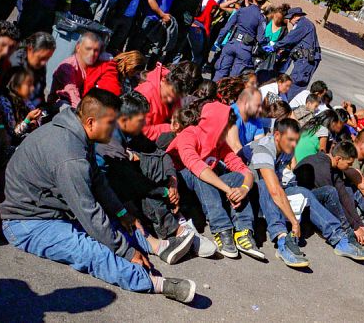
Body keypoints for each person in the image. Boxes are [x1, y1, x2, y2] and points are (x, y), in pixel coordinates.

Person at [0, 89, 198, 303]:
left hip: (54, 208)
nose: (114, 129)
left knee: (117, 221)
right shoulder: (70, 156)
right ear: (91, 122)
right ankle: (154, 283)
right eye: (111, 123)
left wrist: (122, 212)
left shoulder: (78, 132)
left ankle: (155, 247)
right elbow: (89, 212)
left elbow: (98, 182)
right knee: (89, 249)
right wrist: (126, 252)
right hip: (27, 222)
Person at [95, 92, 216, 258]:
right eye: (141, 120)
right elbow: (134, 183)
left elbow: (160, 153)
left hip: (127, 189)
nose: (145, 123)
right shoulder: (109, 141)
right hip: (107, 195)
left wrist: (172, 181)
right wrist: (165, 192)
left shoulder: (130, 133)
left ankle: (175, 224)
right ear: (125, 119)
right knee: (144, 176)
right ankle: (175, 230)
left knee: (151, 162)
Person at [249, 118, 364, 266]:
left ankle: (340, 239)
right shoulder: (264, 148)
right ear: (276, 135)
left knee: (303, 192)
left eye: (296, 140)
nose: (294, 145)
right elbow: (274, 190)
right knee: (266, 185)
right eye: (290, 140)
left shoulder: (286, 149)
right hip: (247, 192)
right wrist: (294, 222)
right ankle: (283, 240)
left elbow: (282, 181)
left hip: (272, 189)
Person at [166, 100, 263, 260]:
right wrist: (227, 189)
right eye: (226, 127)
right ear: (214, 123)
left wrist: (243, 188)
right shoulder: (189, 134)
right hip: (180, 184)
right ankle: (222, 229)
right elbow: (196, 165)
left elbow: (244, 171)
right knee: (201, 174)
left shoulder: (220, 144)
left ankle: (243, 231)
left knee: (238, 178)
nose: (228, 132)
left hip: (206, 187)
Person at [295, 141, 364, 249]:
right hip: (302, 204)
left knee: (347, 189)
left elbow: (343, 196)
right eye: (348, 164)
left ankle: (359, 225)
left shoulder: (334, 167)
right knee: (331, 194)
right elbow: (334, 203)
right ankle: (344, 233)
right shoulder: (322, 169)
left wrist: (359, 224)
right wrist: (354, 227)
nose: (349, 167)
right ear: (339, 159)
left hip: (316, 197)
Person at [135, 61, 200, 141]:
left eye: (174, 98)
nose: (170, 100)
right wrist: (170, 127)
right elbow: (142, 131)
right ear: (163, 80)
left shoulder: (176, 88)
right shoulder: (144, 94)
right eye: (167, 95)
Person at [212, 0, 269, 80]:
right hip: (245, 49)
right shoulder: (261, 18)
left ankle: (212, 91)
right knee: (233, 79)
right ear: (264, 2)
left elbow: (226, 28)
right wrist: (267, 43)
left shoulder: (241, 11)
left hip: (232, 43)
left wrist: (218, 41)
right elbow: (260, 38)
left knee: (220, 72)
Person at [274, 7, 320, 100]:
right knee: (298, 84)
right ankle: (286, 104)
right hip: (306, 60)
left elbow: (290, 39)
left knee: (295, 83)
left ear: (295, 16)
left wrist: (275, 46)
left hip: (306, 61)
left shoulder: (303, 24)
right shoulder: (305, 24)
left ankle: (283, 104)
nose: (290, 21)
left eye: (290, 19)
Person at [48, 31, 103, 109]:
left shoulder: (93, 64)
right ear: (78, 47)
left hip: (81, 102)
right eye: (88, 49)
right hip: (61, 103)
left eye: (96, 50)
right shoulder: (68, 67)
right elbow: (72, 94)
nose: (92, 54)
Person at [9, 32, 55, 108]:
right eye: (41, 58)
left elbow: (40, 93)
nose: (44, 63)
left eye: (47, 58)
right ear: (30, 49)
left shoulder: (40, 65)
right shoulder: (15, 63)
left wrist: (42, 108)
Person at [0, 66, 41, 145]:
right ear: (16, 86)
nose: (33, 88)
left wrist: (36, 121)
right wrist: (27, 120)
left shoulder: (25, 100)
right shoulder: (4, 101)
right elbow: (13, 133)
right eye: (29, 85)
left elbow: (36, 117)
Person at [226, 87, 266, 155]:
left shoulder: (254, 117)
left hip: (243, 157)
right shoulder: (231, 115)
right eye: (258, 105)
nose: (261, 110)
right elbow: (236, 149)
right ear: (246, 103)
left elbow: (261, 144)